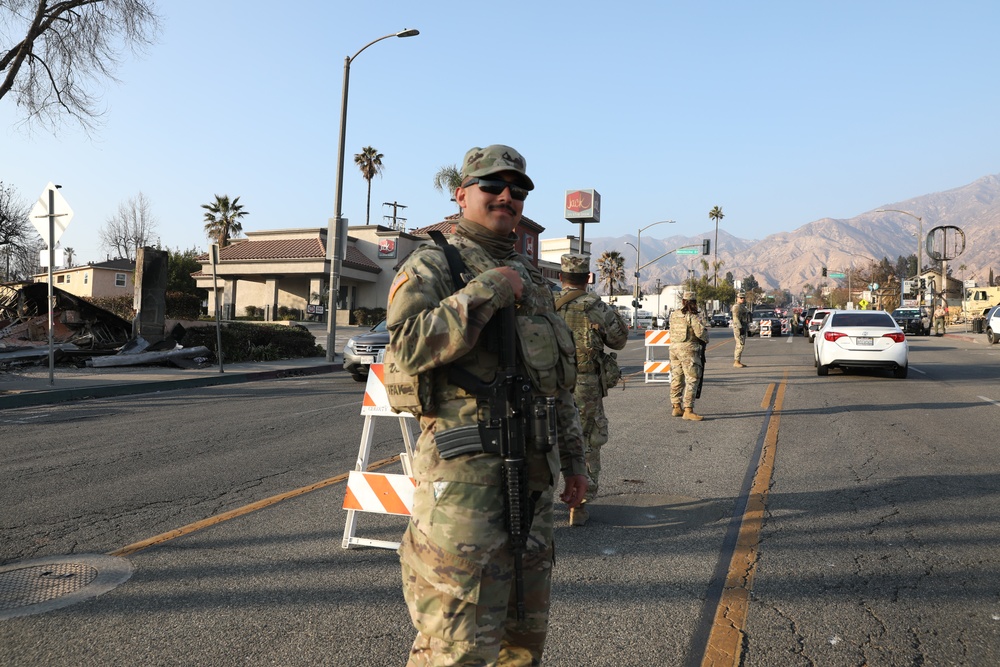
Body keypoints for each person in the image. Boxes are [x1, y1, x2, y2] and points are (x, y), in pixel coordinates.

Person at [384, 144, 589, 665]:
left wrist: (576, 461)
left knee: (523, 642)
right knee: (456, 648)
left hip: (534, 486)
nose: (506, 196)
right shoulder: (434, 263)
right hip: (463, 498)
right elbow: (406, 347)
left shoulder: (535, 282)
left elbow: (556, 384)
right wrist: (489, 291)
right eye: (493, 186)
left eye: (517, 190)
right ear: (462, 194)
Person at [554, 253, 629, 527]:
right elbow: (619, 340)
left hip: (549, 384)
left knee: (542, 439)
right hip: (584, 384)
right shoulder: (595, 305)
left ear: (560, 277)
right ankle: (578, 505)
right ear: (588, 278)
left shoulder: (546, 305)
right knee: (585, 441)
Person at [669, 291, 708, 421]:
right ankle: (688, 410)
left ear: (683, 301)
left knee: (677, 377)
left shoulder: (674, 314)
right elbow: (701, 332)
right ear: (694, 303)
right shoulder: (692, 316)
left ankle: (676, 406)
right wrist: (706, 339)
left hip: (674, 349)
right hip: (688, 350)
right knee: (692, 379)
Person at [731, 291, 751, 367]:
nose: (742, 299)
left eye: (743, 298)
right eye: (741, 298)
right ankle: (736, 361)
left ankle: (738, 361)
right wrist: (740, 328)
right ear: (737, 298)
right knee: (740, 344)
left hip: (743, 326)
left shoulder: (742, 306)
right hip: (739, 327)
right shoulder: (736, 307)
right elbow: (735, 318)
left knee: (741, 344)